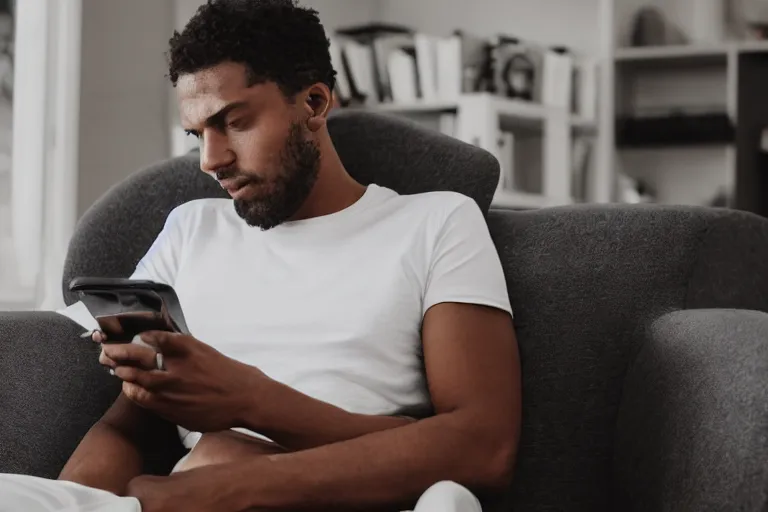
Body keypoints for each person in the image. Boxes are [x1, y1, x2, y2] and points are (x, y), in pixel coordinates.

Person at [0, 0, 521, 510]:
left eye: (234, 122)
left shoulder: (436, 223)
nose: (211, 160)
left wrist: (248, 417)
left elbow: (482, 446)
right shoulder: (189, 230)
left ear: (314, 103)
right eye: (197, 133)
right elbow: (127, 423)